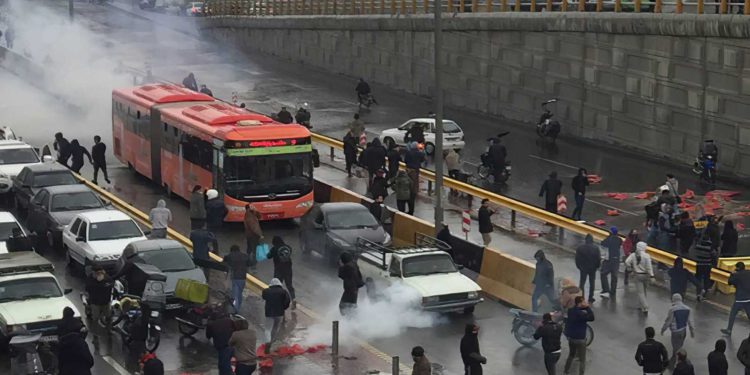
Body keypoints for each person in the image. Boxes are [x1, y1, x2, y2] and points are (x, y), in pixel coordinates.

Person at [661, 293, 695, 368]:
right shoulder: (687, 309)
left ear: (673, 299)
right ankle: (676, 360)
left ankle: (680, 364)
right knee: (679, 347)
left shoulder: (672, 309)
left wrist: (663, 330)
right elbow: (690, 322)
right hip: (683, 331)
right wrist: (692, 332)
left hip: (675, 332)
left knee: (677, 350)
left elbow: (668, 321)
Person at [563, 296, 594, 375]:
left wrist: (582, 307)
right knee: (582, 359)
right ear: (580, 303)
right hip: (581, 339)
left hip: (572, 339)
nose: (585, 302)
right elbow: (592, 318)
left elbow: (576, 310)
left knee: (571, 355)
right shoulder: (582, 314)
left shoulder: (571, 311)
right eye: (584, 301)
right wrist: (587, 308)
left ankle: (566, 371)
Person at [262, 278, 291, 353]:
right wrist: (283, 307)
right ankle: (271, 342)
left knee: (268, 329)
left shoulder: (266, 291)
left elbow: (264, 297)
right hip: (279, 313)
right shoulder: (284, 292)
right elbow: (287, 301)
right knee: (275, 328)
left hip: (269, 313)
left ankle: (267, 342)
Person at [625, 241, 655, 315]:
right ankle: (641, 305)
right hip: (646, 275)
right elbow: (649, 267)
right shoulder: (647, 256)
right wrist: (652, 276)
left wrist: (630, 269)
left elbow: (627, 262)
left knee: (640, 292)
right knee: (644, 291)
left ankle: (645, 306)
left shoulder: (633, 255)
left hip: (637, 275)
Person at [721, 261, 750, 335]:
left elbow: (730, 282)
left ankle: (729, 330)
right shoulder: (748, 272)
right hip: (748, 299)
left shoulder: (737, 275)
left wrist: (732, 274)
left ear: (737, 268)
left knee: (733, 314)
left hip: (739, 299)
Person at [267, 236, 295, 310]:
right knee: (289, 285)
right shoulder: (288, 247)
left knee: (278, 286)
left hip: (278, 269)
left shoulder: (274, 248)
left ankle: (280, 302)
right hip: (288, 269)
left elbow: (268, 256)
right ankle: (293, 299)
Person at [222, 245, 252, 311]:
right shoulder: (245, 256)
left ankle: (235, 309)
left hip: (234, 277)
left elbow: (223, 263)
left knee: (235, 294)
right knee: (239, 293)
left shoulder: (229, 256)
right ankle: (238, 307)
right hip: (243, 277)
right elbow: (250, 263)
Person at [85, 266, 114, 331]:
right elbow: (88, 288)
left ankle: (109, 329)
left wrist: (104, 282)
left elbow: (111, 283)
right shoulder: (90, 279)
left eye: (100, 272)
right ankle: (95, 332)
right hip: (95, 303)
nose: (99, 274)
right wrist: (99, 283)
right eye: (97, 273)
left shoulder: (107, 278)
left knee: (109, 316)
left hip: (106, 302)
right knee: (95, 318)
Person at [206, 311, 235, 375]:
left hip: (222, 346)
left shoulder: (211, 324)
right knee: (225, 362)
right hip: (232, 344)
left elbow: (208, 336)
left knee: (224, 364)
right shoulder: (229, 321)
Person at [575, 234, 600, 303]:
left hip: (583, 268)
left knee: (582, 283)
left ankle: (581, 297)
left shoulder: (580, 248)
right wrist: (597, 266)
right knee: (592, 283)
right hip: (592, 268)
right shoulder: (596, 248)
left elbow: (577, 258)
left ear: (585, 240)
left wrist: (579, 266)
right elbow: (598, 259)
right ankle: (591, 297)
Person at [600, 227, 622, 299]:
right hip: (617, 259)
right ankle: (613, 291)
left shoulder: (609, 239)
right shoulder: (619, 239)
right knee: (614, 276)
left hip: (608, 259)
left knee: (603, 274)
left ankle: (606, 289)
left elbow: (603, 243)